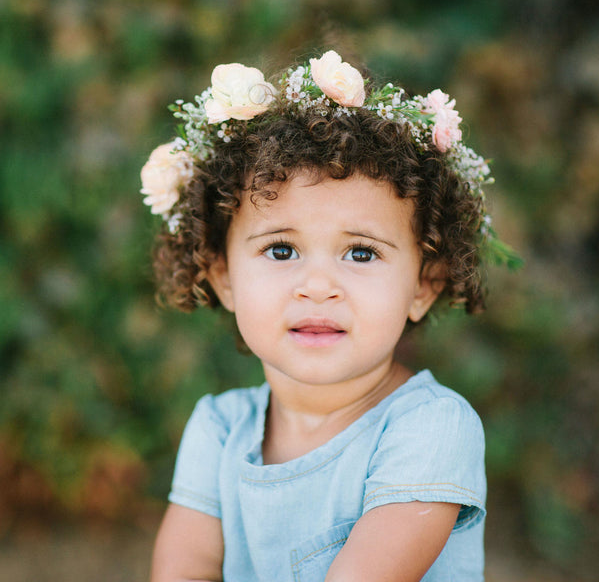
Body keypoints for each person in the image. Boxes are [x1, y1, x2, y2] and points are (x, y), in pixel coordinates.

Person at [141, 50, 519, 582]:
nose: (318, 287)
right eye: (280, 250)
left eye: (361, 253)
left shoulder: (430, 429)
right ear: (222, 275)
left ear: (423, 285)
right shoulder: (220, 429)